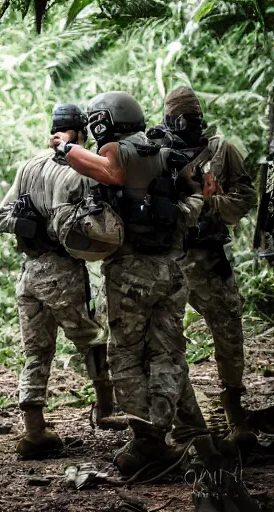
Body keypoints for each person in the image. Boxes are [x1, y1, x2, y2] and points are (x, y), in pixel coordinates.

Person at [50, 92, 209, 476]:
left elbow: (111, 171)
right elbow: (200, 193)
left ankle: (148, 442)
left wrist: (68, 147)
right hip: (171, 269)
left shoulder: (122, 153)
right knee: (168, 352)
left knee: (126, 354)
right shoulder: (164, 151)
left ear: (105, 120)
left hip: (132, 275)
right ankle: (188, 435)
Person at [0, 104, 127, 460]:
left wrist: (28, 224)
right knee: (92, 339)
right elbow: (87, 225)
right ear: (81, 133)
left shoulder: (28, 167)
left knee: (36, 351)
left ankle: (35, 430)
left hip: (28, 273)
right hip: (62, 272)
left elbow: (2, 217)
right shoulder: (79, 171)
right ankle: (106, 409)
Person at [149, 86, 257, 454]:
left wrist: (211, 204)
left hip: (209, 258)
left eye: (195, 117)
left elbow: (245, 197)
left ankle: (234, 411)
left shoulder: (221, 150)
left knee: (229, 330)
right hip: (169, 261)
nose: (191, 124)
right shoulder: (154, 151)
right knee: (167, 343)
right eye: (184, 118)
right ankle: (185, 423)